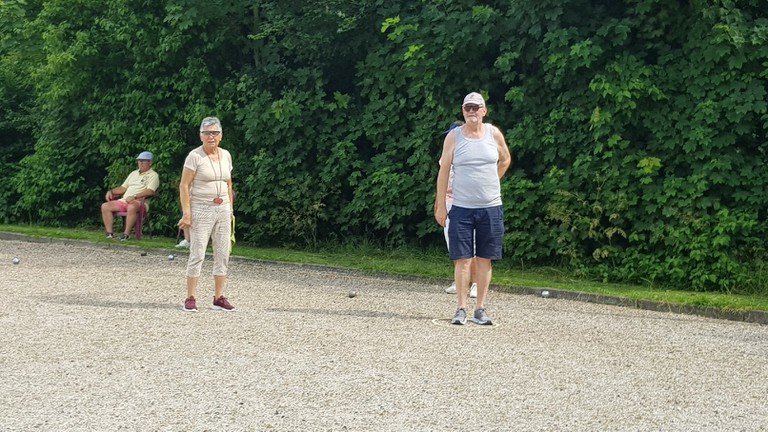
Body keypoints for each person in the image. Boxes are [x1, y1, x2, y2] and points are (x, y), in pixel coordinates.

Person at [434, 92, 512, 325]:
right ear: (463, 110)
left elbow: (505, 159)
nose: (471, 111)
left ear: (484, 111)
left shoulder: (493, 134)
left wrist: (492, 180)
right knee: (462, 259)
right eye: (467, 107)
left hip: (490, 207)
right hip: (461, 207)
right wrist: (441, 205)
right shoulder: (454, 137)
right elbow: (444, 171)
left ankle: (480, 309)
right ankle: (461, 308)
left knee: (485, 258)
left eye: (476, 107)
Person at [178, 117, 235, 312]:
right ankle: (190, 297)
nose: (211, 137)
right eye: (207, 133)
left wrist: (230, 210)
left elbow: (228, 183)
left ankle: (218, 297)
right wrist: (187, 213)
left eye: (215, 133)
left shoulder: (226, 155)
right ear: (201, 136)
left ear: (221, 135)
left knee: (223, 252)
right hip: (201, 207)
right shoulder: (195, 156)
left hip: (223, 208)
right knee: (198, 252)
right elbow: (184, 185)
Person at [437, 121, 478, 298]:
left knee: (473, 245)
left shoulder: (472, 156)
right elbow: (442, 179)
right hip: (449, 202)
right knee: (454, 244)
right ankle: (460, 280)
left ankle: (476, 283)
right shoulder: (446, 156)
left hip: (468, 203)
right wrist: (439, 203)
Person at [101, 151, 160, 241]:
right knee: (105, 206)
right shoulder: (133, 173)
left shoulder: (153, 175)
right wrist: (111, 191)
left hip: (140, 203)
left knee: (132, 207)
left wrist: (135, 196)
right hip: (125, 201)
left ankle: (126, 234)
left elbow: (150, 191)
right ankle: (109, 234)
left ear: (150, 162)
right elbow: (123, 188)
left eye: (143, 161)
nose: (140, 163)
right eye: (139, 161)